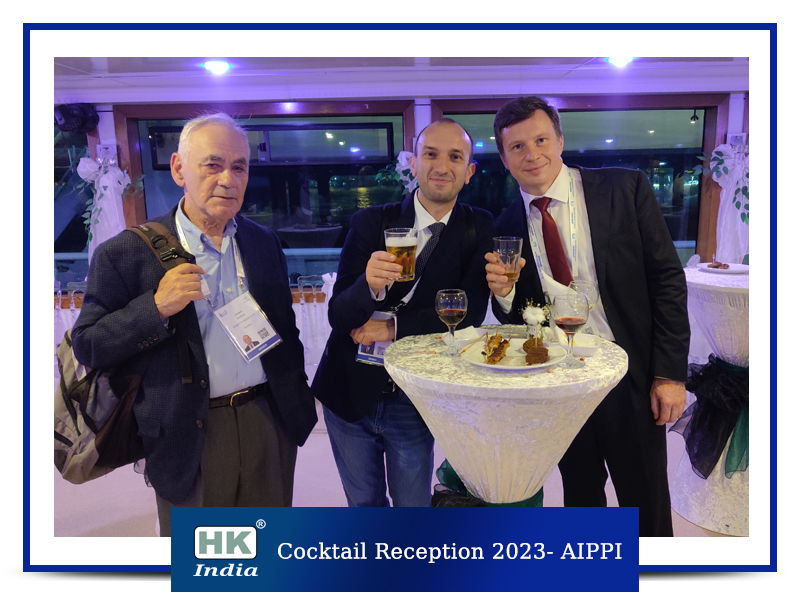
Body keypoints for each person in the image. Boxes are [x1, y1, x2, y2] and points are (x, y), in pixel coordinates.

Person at [72, 113, 317, 536]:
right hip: (185, 428)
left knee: (266, 545)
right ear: (179, 169)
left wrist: (293, 400)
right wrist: (155, 308)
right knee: (201, 553)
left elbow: (284, 330)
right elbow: (88, 344)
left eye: (239, 167)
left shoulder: (262, 242)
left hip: (267, 417)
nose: (228, 179)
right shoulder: (125, 253)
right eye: (213, 164)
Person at [485, 96, 689, 536]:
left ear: (560, 141)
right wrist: (503, 296)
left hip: (630, 374)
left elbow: (668, 281)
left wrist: (670, 374)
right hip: (562, 383)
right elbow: (520, 321)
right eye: (517, 146)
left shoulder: (624, 188)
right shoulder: (504, 227)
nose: (532, 154)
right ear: (504, 158)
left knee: (646, 501)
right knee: (580, 499)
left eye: (541, 140)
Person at [312, 119, 495, 507]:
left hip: (414, 394)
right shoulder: (371, 222)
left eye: (455, 157)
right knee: (364, 506)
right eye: (430, 154)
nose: (441, 166)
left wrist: (392, 327)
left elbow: (470, 312)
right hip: (348, 385)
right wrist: (369, 286)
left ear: (469, 171)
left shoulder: (477, 226)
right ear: (413, 163)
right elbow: (339, 316)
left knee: (413, 507)